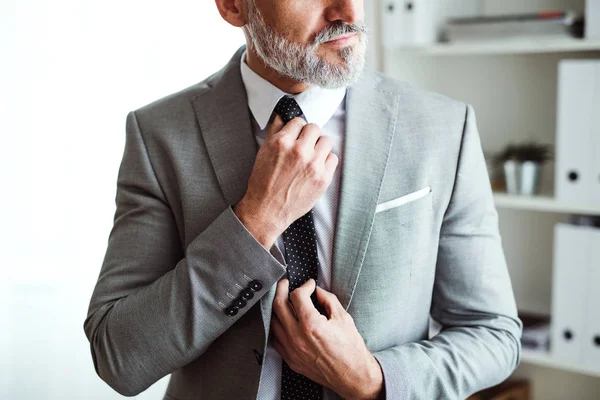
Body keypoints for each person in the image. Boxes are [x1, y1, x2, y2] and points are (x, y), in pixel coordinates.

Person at [83, 0, 523, 399]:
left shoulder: (444, 127)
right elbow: (119, 356)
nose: (347, 11)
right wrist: (257, 219)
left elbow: (493, 334)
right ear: (235, 7)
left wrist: (372, 378)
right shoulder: (159, 134)